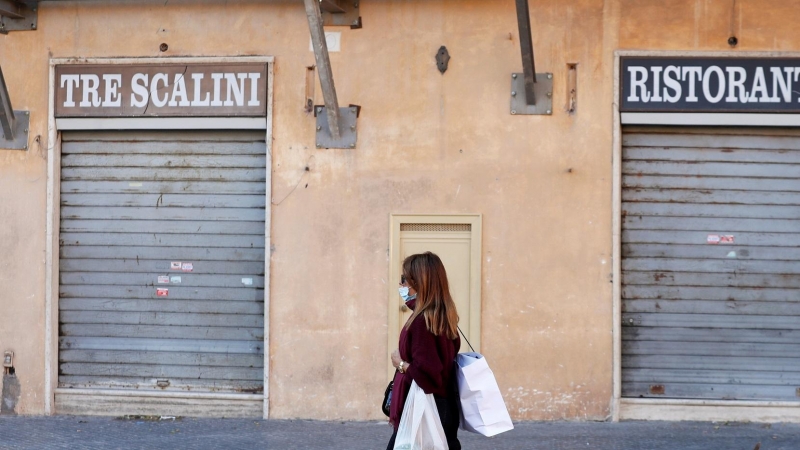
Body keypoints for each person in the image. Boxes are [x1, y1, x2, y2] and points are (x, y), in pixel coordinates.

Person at [387, 252, 461, 450]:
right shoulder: (442, 316)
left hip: (426, 409)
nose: (401, 286)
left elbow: (429, 375)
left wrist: (401, 364)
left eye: (404, 280)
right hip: (441, 406)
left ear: (419, 283)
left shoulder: (422, 322)